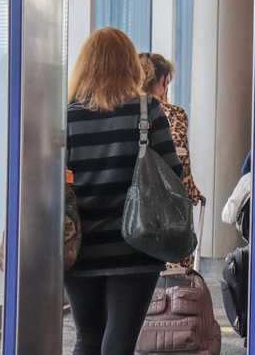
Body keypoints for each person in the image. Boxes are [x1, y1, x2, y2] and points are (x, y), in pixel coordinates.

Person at [65, 28, 183, 355]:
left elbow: (55, 182)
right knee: (120, 339)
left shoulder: (68, 116)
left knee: (86, 337)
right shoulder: (148, 111)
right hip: (137, 244)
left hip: (81, 246)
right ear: (130, 65)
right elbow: (174, 172)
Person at [139, 53, 203, 269]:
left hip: (137, 206)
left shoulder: (126, 111)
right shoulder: (175, 114)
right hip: (169, 210)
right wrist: (192, 192)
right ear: (165, 80)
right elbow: (181, 163)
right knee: (175, 273)